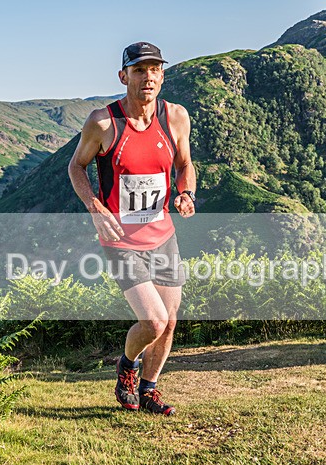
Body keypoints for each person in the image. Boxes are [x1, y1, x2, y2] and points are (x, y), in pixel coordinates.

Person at [68, 42, 197, 416]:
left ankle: (149, 390)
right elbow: (77, 167)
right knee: (153, 320)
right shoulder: (103, 122)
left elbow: (186, 164)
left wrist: (186, 192)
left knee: (169, 322)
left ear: (162, 76)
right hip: (120, 240)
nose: (149, 77)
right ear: (123, 76)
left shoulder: (175, 117)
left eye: (155, 69)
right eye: (140, 70)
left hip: (163, 236)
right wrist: (94, 207)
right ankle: (127, 366)